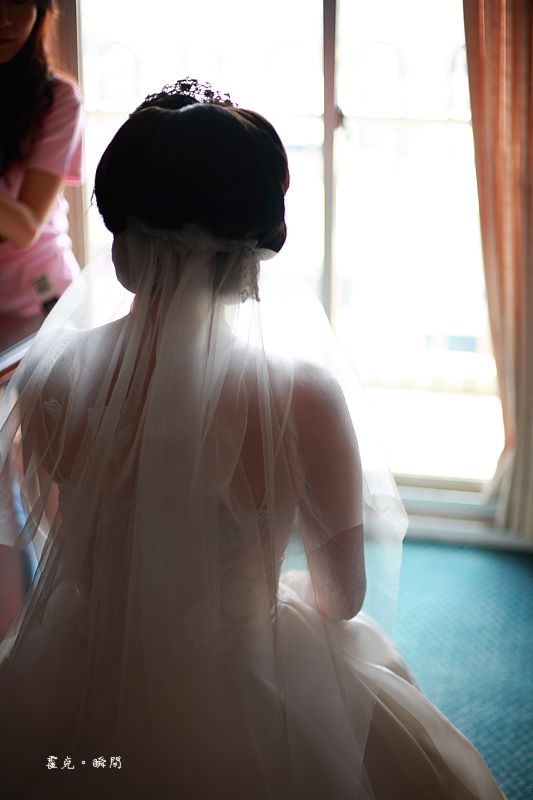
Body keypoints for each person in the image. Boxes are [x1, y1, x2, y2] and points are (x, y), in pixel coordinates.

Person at [0, 79, 505, 800]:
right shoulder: (302, 395)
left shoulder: (50, 375)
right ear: (251, 256)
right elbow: (342, 597)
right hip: (238, 666)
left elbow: (65, 541)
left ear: (123, 246)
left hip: (85, 667)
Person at [0, 0, 83, 318]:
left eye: (18, 2)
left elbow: (25, 228)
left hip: (37, 296)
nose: (4, 20)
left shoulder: (58, 99)